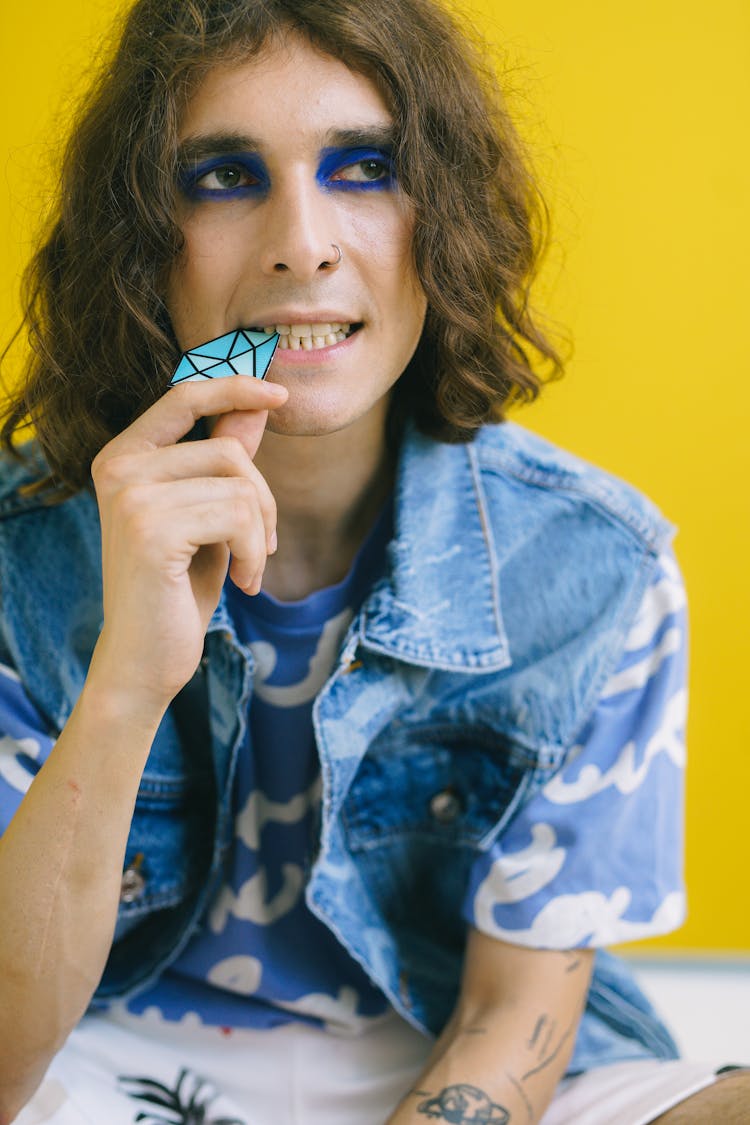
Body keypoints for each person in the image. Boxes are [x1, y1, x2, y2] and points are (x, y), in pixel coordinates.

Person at [0, 0, 746, 1122]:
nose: (303, 242)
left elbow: (509, 1024)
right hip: (100, 1056)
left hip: (450, 1052)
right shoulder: (21, 553)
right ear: (144, 241)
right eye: (224, 176)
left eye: (366, 166)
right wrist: (125, 683)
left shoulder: (591, 567)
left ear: (440, 216)